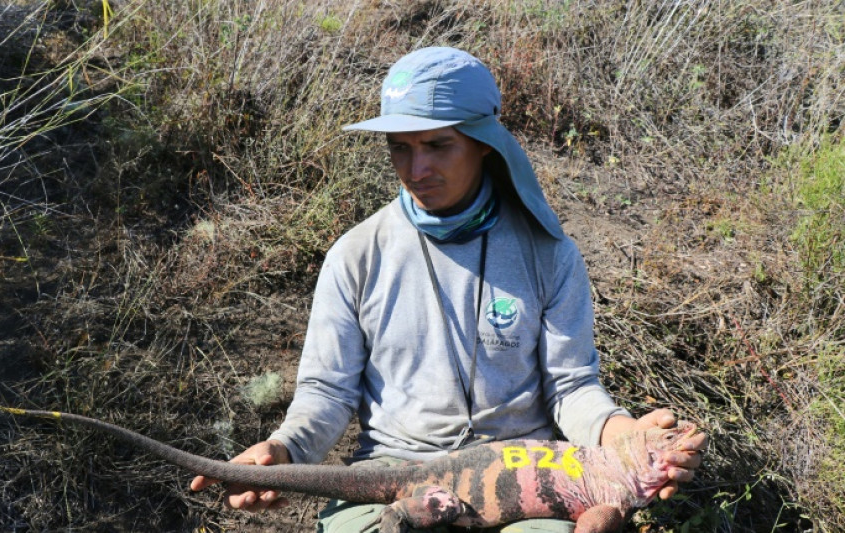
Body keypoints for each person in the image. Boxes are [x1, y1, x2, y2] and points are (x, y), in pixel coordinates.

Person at [191, 47, 707, 532]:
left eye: (438, 145)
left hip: (523, 472)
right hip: (394, 472)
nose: (417, 171)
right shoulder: (356, 255)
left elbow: (571, 387)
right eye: (400, 148)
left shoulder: (548, 253)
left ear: (484, 142)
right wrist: (284, 451)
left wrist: (622, 437)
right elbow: (327, 391)